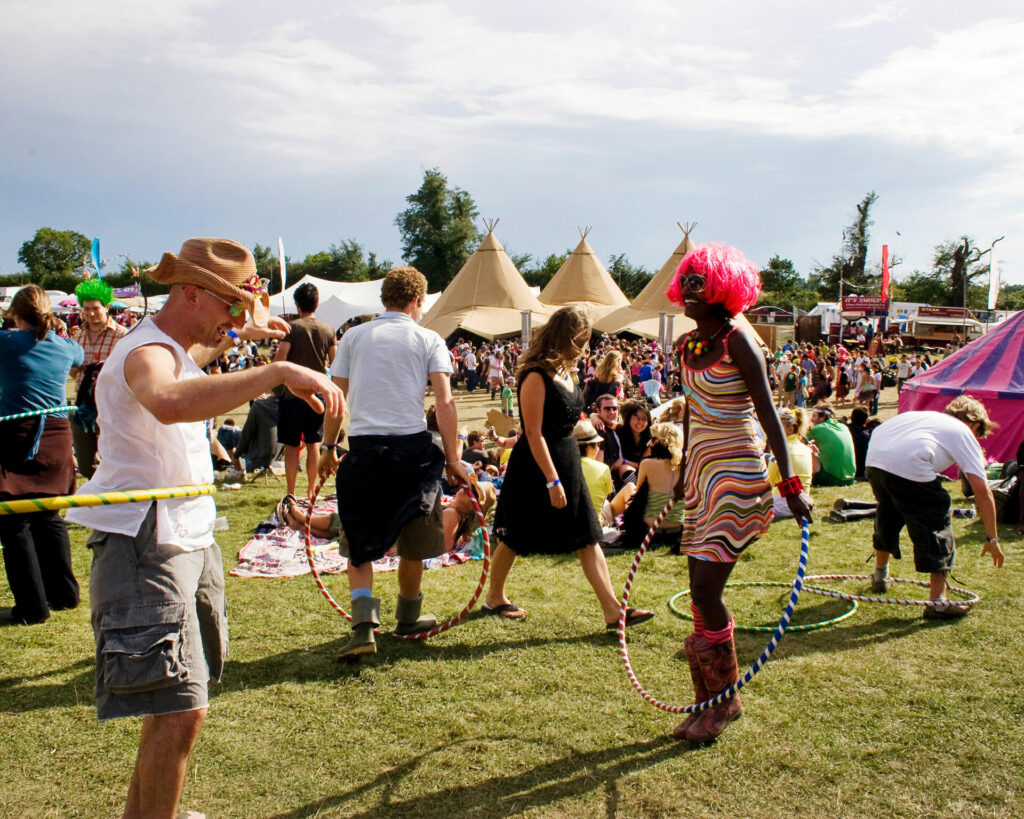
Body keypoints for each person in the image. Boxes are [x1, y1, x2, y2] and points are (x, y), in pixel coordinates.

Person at [65, 237, 343, 819]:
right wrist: (279, 370)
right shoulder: (146, 352)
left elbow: (217, 349)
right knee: (180, 708)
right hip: (147, 539)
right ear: (191, 293)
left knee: (179, 704)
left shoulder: (179, 346)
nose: (234, 322)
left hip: (186, 532)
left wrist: (253, 325)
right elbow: (166, 399)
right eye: (227, 308)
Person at [666, 243, 811, 743]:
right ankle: (712, 700)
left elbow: (771, 413)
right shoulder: (686, 345)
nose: (687, 291)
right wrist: (684, 468)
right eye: (685, 281)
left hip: (738, 473)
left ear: (722, 289)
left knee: (707, 591)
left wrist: (788, 485)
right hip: (704, 473)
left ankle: (724, 703)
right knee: (702, 593)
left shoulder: (740, 342)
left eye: (697, 283)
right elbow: (689, 410)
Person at [319, 267, 471, 660]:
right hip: (413, 451)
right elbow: (445, 401)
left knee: (360, 544)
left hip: (365, 449)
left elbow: (337, 399)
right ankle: (408, 616)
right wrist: (453, 458)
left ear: (383, 298)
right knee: (414, 541)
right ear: (417, 302)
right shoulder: (429, 338)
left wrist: (327, 446)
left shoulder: (353, 336)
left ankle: (364, 628)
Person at [481, 306, 654, 628]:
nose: (586, 346)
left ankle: (613, 611)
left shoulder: (566, 372)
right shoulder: (536, 375)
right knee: (516, 534)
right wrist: (552, 480)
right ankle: (494, 597)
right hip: (537, 466)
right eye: (583, 339)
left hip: (567, 460)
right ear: (570, 337)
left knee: (588, 534)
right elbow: (533, 432)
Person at [865, 396, 1005, 617]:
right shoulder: (963, 431)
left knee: (888, 513)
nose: (977, 439)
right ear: (975, 425)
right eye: (979, 434)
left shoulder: (925, 418)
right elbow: (982, 489)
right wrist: (992, 538)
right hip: (908, 464)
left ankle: (880, 576)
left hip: (875, 462)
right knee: (936, 517)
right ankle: (938, 602)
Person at [0, 285, 83, 625]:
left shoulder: (5, 341)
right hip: (56, 435)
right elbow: (79, 357)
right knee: (49, 515)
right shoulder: (64, 345)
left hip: (17, 435)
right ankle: (64, 594)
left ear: (16, 315)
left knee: (13, 521)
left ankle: (33, 607)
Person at [274, 281, 337, 500]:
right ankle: (311, 491)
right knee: (313, 445)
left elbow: (279, 361)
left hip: (292, 394)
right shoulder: (328, 329)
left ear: (297, 304)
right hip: (317, 395)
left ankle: (291, 493)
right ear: (317, 304)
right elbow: (334, 362)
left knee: (292, 446)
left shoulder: (291, 328)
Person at [68, 278, 127, 478]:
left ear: (107, 307)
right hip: (83, 405)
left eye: (95, 308)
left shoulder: (122, 335)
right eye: (86, 309)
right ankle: (101, 491)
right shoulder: (77, 337)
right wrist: (79, 368)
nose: (90, 313)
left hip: (113, 405)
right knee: (85, 464)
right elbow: (72, 373)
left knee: (116, 458)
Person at [766, 408, 814, 519]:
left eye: (779, 427)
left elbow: (768, 482)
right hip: (804, 501)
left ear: (790, 429)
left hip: (784, 502)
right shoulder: (805, 449)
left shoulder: (781, 450)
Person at [806, 405, 856, 486]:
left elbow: (799, 441)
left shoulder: (818, 428)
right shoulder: (843, 426)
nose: (811, 420)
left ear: (823, 417)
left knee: (806, 450)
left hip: (834, 479)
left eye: (814, 416)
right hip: (851, 479)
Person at [618, 399, 652, 478]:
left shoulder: (652, 438)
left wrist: (624, 461)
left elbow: (642, 464)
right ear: (628, 418)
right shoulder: (620, 431)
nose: (640, 422)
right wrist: (594, 416)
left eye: (644, 419)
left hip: (646, 471)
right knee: (624, 469)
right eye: (636, 418)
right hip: (627, 473)